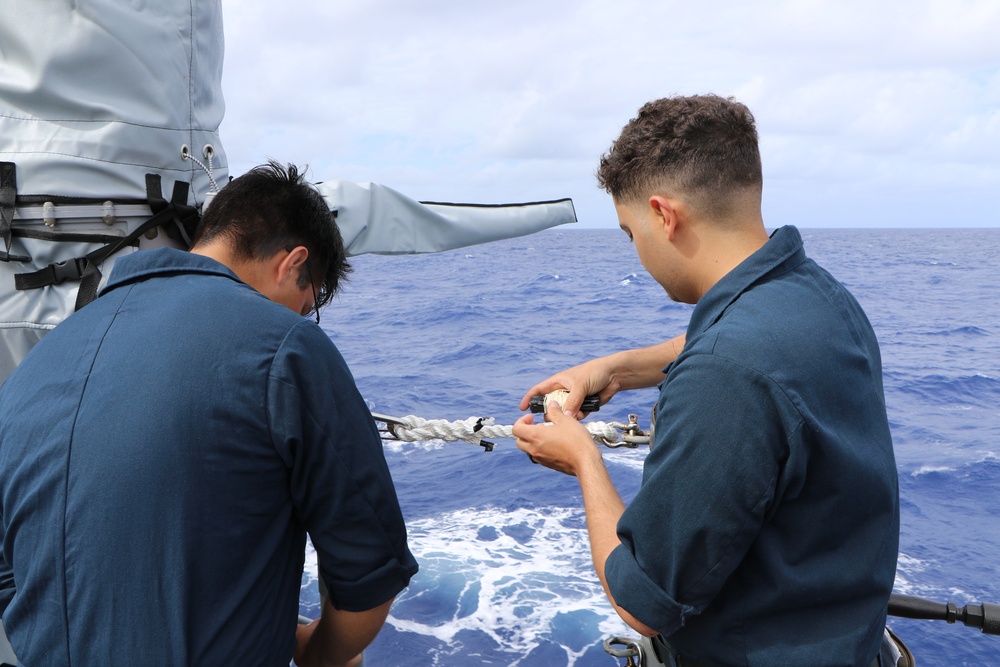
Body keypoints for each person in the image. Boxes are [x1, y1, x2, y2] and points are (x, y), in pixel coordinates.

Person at [512, 95, 900, 666]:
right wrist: (615, 368)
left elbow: (643, 601)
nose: (636, 251)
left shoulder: (725, 372)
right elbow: (732, 342)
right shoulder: (815, 293)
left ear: (664, 216)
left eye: (629, 232)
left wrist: (582, 458)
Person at [0, 162, 418, 666]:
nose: (302, 318)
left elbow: (11, 573)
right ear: (292, 263)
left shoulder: (39, 360)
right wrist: (320, 653)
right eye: (309, 303)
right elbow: (369, 577)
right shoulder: (287, 347)